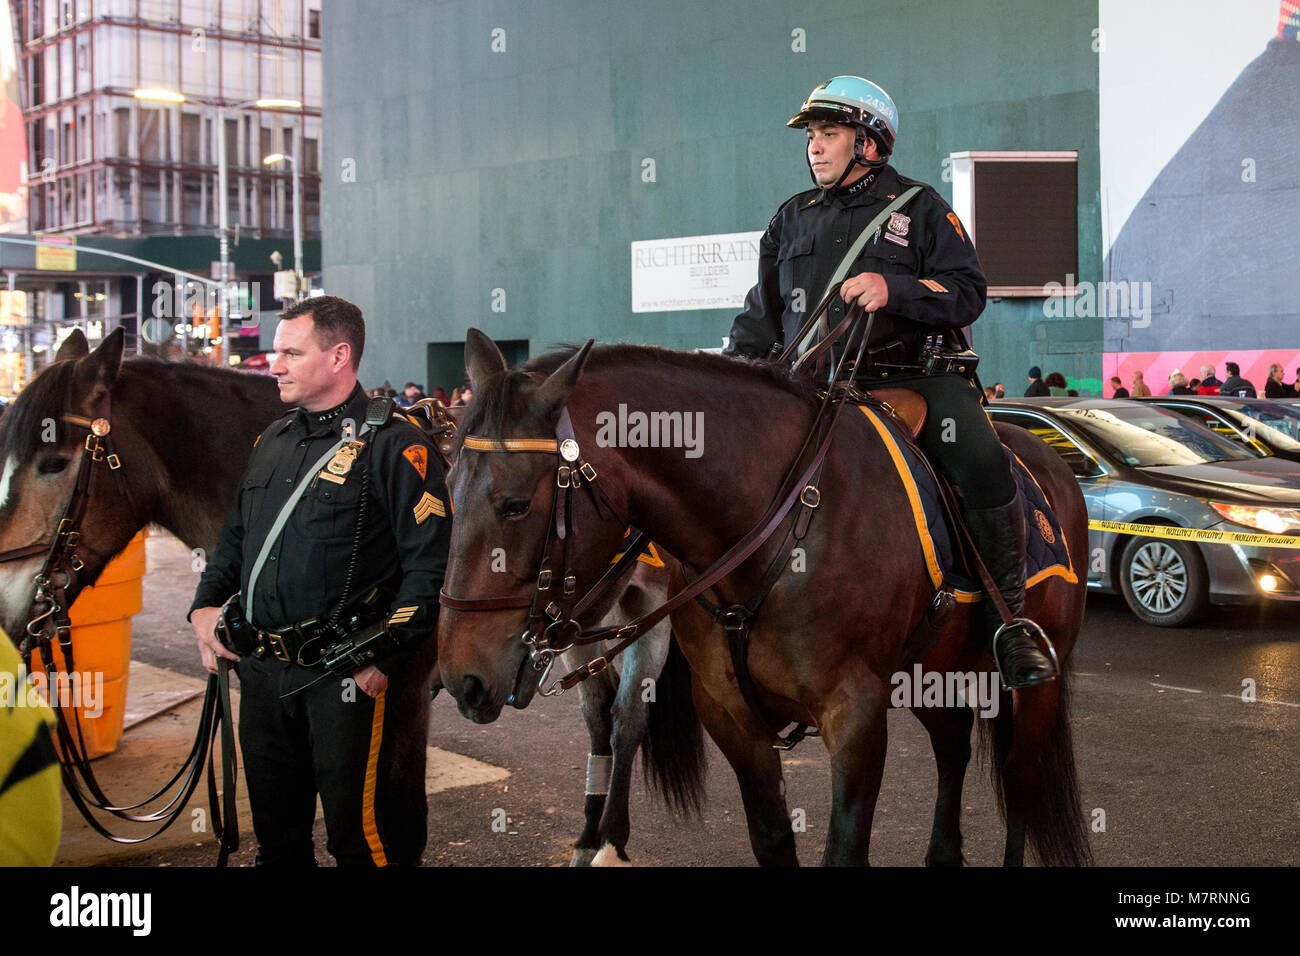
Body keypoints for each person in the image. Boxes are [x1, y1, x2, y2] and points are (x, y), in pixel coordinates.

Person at [724, 75, 1054, 689]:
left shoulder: (924, 209)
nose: (814, 148)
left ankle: (1011, 622)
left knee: (981, 459)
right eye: (812, 137)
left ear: (869, 144)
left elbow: (969, 293)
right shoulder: (789, 219)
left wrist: (892, 288)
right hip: (815, 389)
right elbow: (759, 319)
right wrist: (730, 380)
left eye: (829, 134)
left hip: (918, 381)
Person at [189, 295, 452, 867]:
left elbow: (430, 571)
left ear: (338, 356)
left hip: (346, 680)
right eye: (274, 352)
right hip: (261, 676)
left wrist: (383, 659)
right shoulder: (271, 442)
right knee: (277, 843)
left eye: (290, 352)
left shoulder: (397, 445)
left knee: (361, 843)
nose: (273, 365)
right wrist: (204, 609)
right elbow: (235, 538)